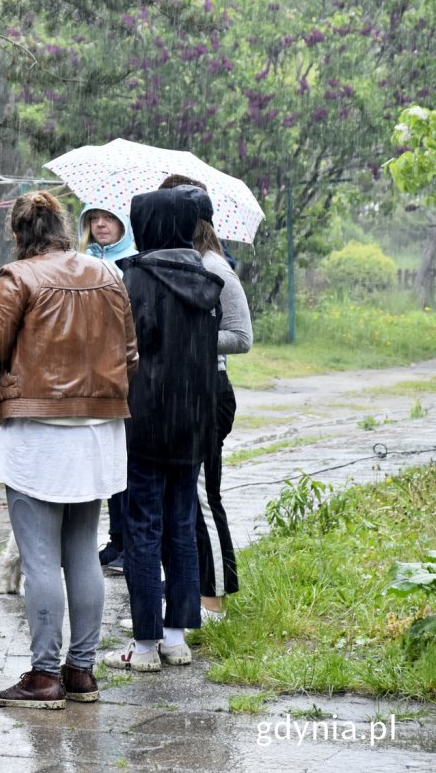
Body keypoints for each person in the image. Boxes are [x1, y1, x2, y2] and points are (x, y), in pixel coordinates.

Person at [0, 191, 138, 708]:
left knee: (40, 559)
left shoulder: (17, 278)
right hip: (97, 429)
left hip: (38, 430)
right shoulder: (109, 275)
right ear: (64, 226)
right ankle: (81, 672)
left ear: (18, 235)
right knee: (83, 552)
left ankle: (43, 677)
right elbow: (129, 351)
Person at [103, 187, 221, 673]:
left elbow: (122, 351)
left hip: (146, 424)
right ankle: (176, 638)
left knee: (142, 530)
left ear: (149, 226)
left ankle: (145, 645)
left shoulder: (136, 279)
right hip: (193, 423)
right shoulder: (205, 277)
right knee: (181, 527)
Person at [156, 175, 253, 622]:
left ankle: (213, 601)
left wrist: (191, 339)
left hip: (208, 394)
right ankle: (182, 599)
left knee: (200, 495)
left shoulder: (214, 267)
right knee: (173, 501)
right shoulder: (174, 261)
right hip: (175, 393)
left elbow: (242, 336)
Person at [77, 204, 137, 574]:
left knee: (123, 460)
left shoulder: (132, 264)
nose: (100, 224)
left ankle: (126, 540)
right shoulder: (78, 261)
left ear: (123, 224)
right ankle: (104, 540)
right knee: (96, 461)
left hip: (120, 372)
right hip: (85, 373)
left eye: (109, 218)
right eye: (93, 218)